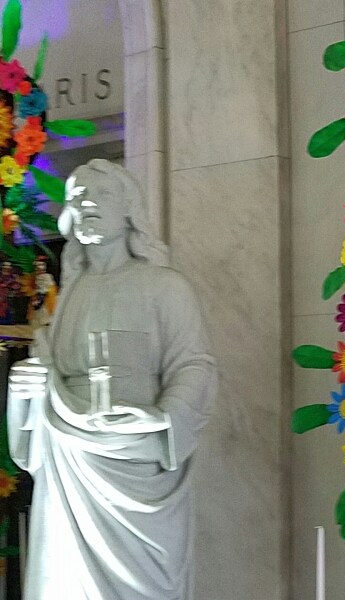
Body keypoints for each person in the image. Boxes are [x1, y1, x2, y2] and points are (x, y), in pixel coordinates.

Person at [7, 159, 217, 599]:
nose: (88, 203)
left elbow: (194, 365)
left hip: (138, 466)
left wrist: (160, 417)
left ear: (128, 210)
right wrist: (25, 391)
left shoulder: (164, 286)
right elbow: (49, 374)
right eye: (78, 196)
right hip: (69, 462)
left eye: (101, 194)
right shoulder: (70, 294)